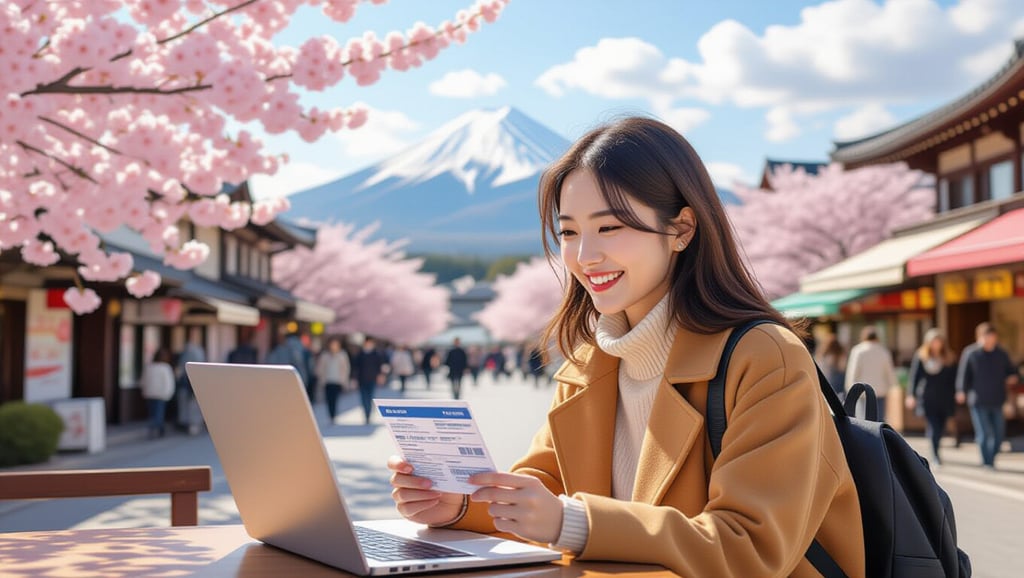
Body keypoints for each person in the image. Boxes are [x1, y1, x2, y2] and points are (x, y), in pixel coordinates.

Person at [386, 117, 863, 576]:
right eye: (568, 232)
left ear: (682, 229)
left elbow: (750, 548)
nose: (584, 256)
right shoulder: (590, 362)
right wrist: (459, 503)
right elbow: (547, 486)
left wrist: (574, 523)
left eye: (609, 227)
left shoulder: (764, 358)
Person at [956, 322, 1020, 469]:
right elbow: (963, 374)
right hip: (978, 399)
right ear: (979, 337)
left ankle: (992, 456)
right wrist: (961, 390)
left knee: (998, 433)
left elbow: (1012, 371)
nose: (989, 341)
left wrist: (1013, 377)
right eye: (986, 337)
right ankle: (987, 461)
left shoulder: (1001, 354)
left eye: (992, 337)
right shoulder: (971, 353)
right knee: (984, 433)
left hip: (997, 399)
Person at [906, 329, 958, 465]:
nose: (936, 344)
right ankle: (935, 454)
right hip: (927, 397)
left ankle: (936, 448)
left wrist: (958, 392)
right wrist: (910, 395)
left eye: (938, 341)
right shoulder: (921, 357)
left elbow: (955, 378)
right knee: (933, 426)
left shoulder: (949, 357)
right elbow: (914, 377)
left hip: (944, 398)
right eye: (934, 341)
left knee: (941, 427)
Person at [844, 326, 898, 422]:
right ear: (877, 337)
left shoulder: (858, 351)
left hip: (862, 391)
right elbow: (889, 371)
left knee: (863, 420)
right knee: (878, 420)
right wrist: (893, 385)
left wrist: (850, 388)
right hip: (880, 391)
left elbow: (852, 372)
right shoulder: (883, 351)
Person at [266, 331, 313, 403]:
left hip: (282, 379)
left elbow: (270, 362)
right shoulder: (300, 348)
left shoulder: (280, 349)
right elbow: (302, 363)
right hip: (297, 378)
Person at [140, 347, 175, 439]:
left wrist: (144, 390)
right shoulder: (165, 367)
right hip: (161, 394)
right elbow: (169, 382)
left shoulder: (149, 367)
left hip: (150, 393)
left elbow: (143, 380)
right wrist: (169, 393)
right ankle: (155, 428)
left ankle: (158, 429)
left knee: (153, 413)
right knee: (159, 413)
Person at [316, 336, 351, 424]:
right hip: (327, 381)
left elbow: (345, 368)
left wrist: (344, 380)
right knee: (329, 399)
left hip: (337, 381)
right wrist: (321, 379)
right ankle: (331, 415)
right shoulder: (325, 355)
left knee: (335, 399)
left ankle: (333, 415)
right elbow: (320, 368)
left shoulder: (342, 355)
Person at [352, 337, 387, 425]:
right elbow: (355, 368)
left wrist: (381, 376)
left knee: (370, 397)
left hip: (372, 380)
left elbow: (380, 367)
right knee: (364, 399)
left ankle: (369, 414)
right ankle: (366, 414)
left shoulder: (376, 354)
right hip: (362, 380)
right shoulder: (360, 354)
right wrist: (354, 379)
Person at [815, 334, 846, 400]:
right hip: (838, 384)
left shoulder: (822, 354)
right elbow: (842, 368)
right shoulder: (839, 354)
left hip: (825, 381)